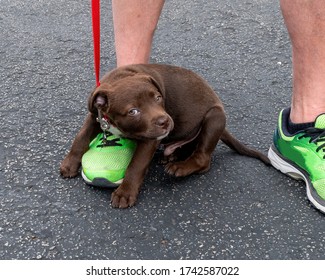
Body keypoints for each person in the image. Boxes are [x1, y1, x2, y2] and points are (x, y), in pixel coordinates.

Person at [82, 0, 325, 213]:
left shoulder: (155, 92)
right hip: (140, 114)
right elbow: (93, 117)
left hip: (192, 125)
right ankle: (123, 129)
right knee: (140, 112)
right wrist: (74, 153)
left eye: (154, 97)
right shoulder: (118, 96)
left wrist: (130, 185)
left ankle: (305, 123)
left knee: (213, 114)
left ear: (154, 87)